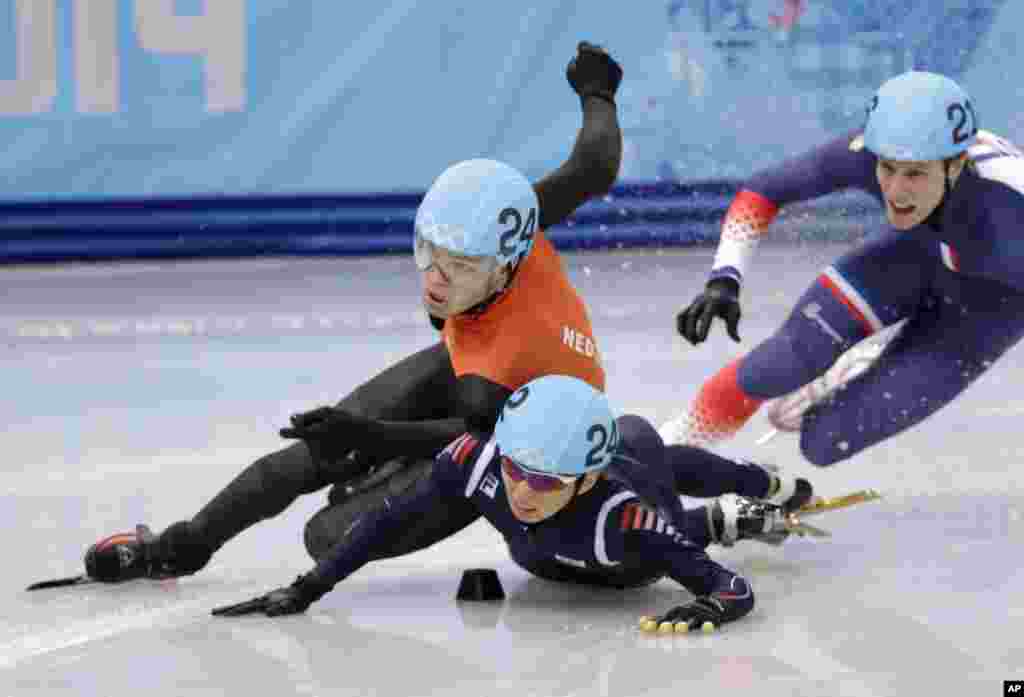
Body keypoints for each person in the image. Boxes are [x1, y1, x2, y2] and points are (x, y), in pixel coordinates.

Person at [80, 42, 808, 588]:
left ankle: (707, 520)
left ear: (501, 263)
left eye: (458, 268)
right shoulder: (507, 229)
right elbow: (592, 166)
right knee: (309, 456)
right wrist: (598, 89)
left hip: (515, 420)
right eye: (430, 253)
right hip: (481, 375)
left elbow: (474, 441)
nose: (435, 278)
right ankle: (180, 545)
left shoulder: (494, 372)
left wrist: (369, 436)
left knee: (328, 530)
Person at [210, 375, 781, 634]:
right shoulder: (475, 457)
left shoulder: (625, 515)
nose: (523, 492)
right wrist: (309, 587)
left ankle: (747, 493)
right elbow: (388, 521)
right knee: (535, 546)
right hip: (544, 556)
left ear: (584, 479)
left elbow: (733, 589)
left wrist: (709, 609)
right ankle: (720, 513)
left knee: (640, 439)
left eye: (548, 480)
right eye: (515, 469)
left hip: (626, 566)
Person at [663, 71, 1024, 466]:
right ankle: (663, 456)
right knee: (776, 366)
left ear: (955, 166)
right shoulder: (867, 152)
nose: (897, 191)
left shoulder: (1009, 201)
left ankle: (866, 364)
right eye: (889, 168)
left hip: (987, 313)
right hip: (913, 257)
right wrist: (725, 278)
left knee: (822, 443)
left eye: (916, 173)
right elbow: (764, 189)